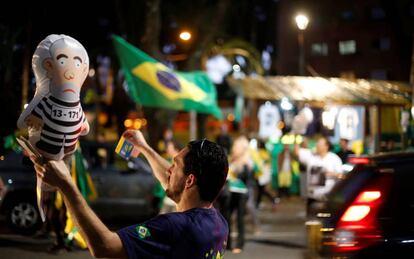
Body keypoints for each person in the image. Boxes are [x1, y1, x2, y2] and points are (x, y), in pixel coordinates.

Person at [30, 130, 229, 259]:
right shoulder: (219, 224)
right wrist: (144, 148)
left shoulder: (174, 226)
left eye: (174, 165)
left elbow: (105, 247)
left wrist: (66, 184)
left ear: (190, 180)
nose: (168, 169)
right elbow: (174, 184)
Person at [295, 136, 343, 217]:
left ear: (326, 146)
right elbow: (297, 152)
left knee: (326, 223)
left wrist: (332, 174)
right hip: (312, 197)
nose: (317, 146)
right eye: (317, 144)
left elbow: (341, 176)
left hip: (328, 198)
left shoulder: (334, 159)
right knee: (312, 222)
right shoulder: (311, 156)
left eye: (320, 144)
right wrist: (297, 137)